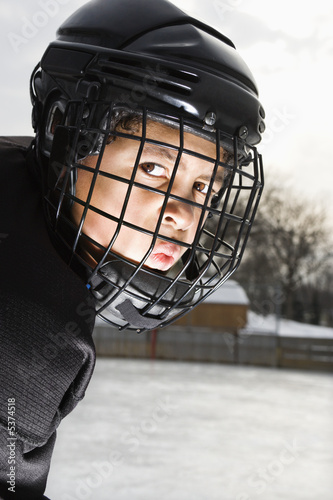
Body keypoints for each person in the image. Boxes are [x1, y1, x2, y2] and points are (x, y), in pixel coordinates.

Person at [0, 0, 265, 498]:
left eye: (204, 188)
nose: (184, 214)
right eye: (153, 170)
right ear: (64, 130)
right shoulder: (24, 328)